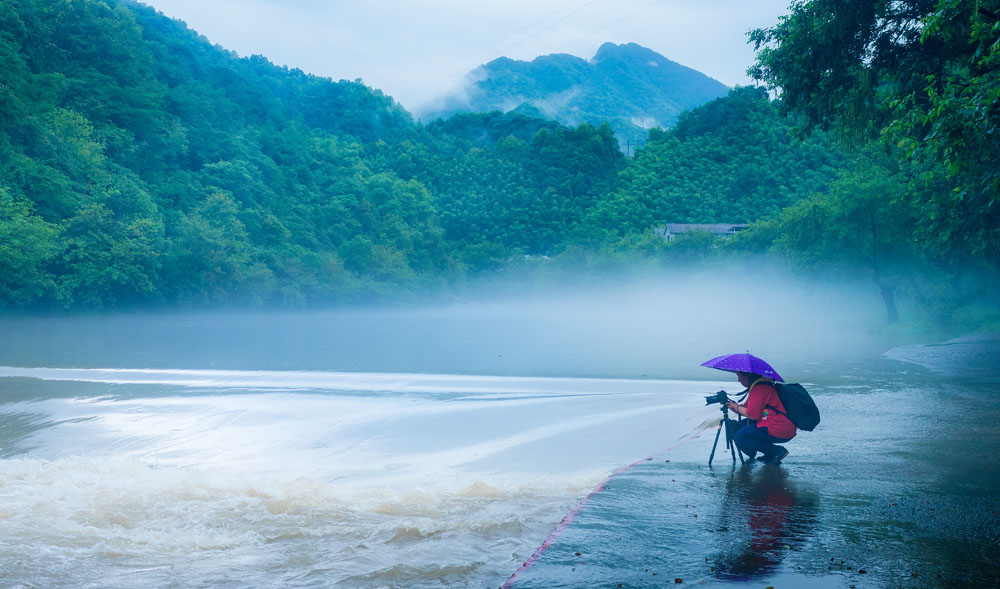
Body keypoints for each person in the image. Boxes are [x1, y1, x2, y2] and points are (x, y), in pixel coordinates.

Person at [725, 371, 796, 464]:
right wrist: (731, 405)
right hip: (777, 423)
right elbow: (746, 408)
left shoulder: (760, 389)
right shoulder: (760, 386)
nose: (739, 380)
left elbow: (752, 415)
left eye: (740, 376)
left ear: (748, 376)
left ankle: (777, 451)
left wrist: (737, 407)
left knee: (740, 436)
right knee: (738, 426)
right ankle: (769, 453)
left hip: (779, 428)